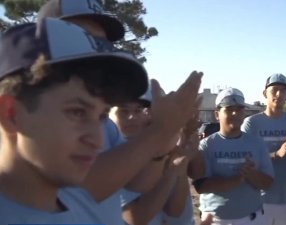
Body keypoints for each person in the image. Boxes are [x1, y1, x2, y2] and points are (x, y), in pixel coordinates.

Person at [37, 1, 203, 225]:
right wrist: (160, 132)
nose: (95, 51)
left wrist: (162, 148)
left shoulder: (104, 124)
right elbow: (79, 192)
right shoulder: (28, 113)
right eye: (80, 36)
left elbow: (135, 183)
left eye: (101, 43)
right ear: (40, 41)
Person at [0, 18, 148, 223]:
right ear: (10, 114)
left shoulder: (82, 211)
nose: (97, 140)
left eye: (102, 116)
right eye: (77, 112)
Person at [110, 86, 196, 225]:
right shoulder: (109, 154)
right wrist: (169, 170)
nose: (131, 117)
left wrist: (180, 163)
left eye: (138, 110)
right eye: (123, 111)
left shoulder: (165, 147)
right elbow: (136, 218)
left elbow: (175, 211)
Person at [194, 87, 275, 225]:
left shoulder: (256, 144)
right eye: (229, 109)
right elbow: (201, 185)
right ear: (217, 114)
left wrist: (252, 174)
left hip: (251, 219)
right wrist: (237, 180)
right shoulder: (206, 145)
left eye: (239, 109)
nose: (235, 113)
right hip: (215, 220)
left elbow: (268, 183)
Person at [241, 73, 286, 225]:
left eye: (284, 91)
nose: (279, 94)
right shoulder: (252, 123)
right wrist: (278, 154)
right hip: (256, 200)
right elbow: (245, 162)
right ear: (265, 93)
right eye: (275, 90)